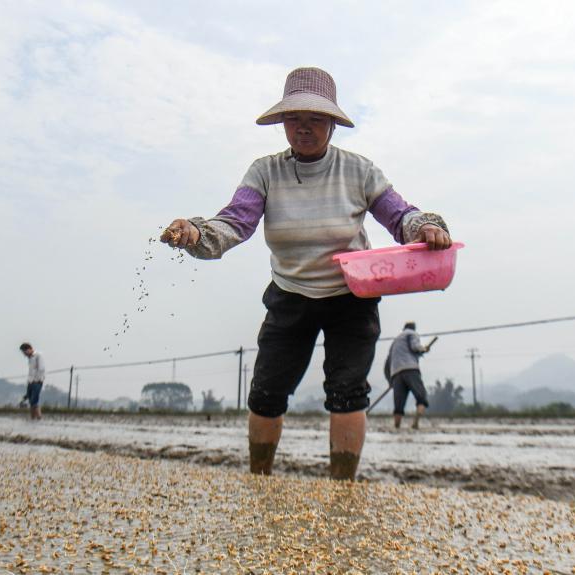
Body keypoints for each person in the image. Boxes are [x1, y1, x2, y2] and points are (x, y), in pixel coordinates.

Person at [161, 67, 452, 480]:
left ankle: (343, 487)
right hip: (290, 293)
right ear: (282, 122)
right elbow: (235, 221)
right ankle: (259, 479)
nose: (303, 128)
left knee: (348, 392)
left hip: (352, 296)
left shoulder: (358, 170)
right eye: (294, 118)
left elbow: (400, 215)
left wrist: (425, 227)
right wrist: (195, 232)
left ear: (332, 123)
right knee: (266, 393)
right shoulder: (265, 172)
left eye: (315, 119)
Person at [387, 322, 433, 429]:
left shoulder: (395, 341)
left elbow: (388, 362)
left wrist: (391, 380)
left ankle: (396, 426)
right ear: (413, 328)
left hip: (396, 373)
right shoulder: (412, 333)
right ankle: (415, 423)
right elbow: (415, 347)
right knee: (421, 398)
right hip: (410, 369)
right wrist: (424, 349)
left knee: (398, 405)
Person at [19, 342, 45, 420]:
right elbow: (31, 371)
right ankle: (32, 419)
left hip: (37, 382)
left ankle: (39, 418)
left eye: (24, 352)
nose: (24, 354)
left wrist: (37, 380)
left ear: (29, 349)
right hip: (30, 382)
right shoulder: (30, 358)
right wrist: (30, 381)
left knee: (34, 401)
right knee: (31, 401)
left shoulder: (38, 356)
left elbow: (41, 369)